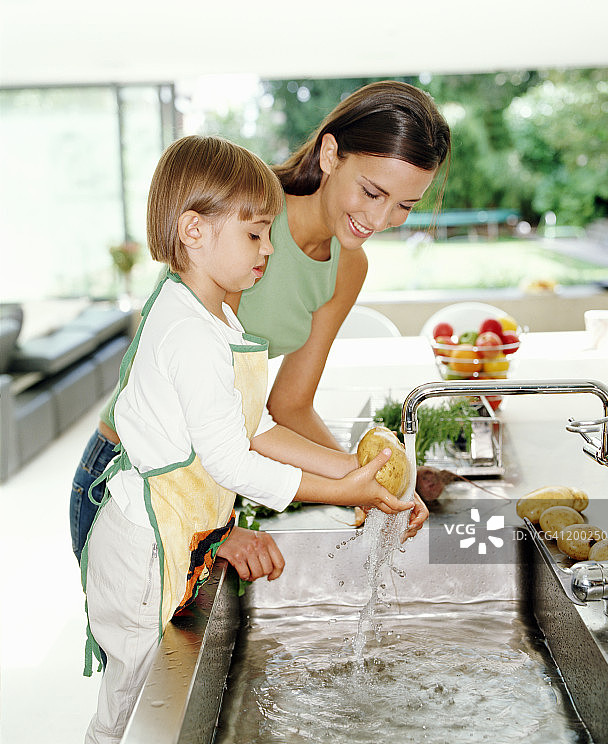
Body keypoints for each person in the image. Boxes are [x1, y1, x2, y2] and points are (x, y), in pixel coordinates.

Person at [82, 135, 414, 744]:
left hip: (174, 538)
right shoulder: (188, 333)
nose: (267, 250)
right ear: (193, 231)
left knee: (145, 700)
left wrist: (353, 476)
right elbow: (234, 460)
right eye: (256, 234)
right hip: (141, 547)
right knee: (129, 712)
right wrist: (340, 493)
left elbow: (258, 426)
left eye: (267, 234)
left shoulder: (216, 318)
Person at [70, 80, 449, 573]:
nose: (379, 218)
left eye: (404, 205)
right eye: (372, 191)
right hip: (135, 477)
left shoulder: (347, 266)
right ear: (331, 153)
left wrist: (372, 483)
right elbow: (175, 396)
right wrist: (217, 530)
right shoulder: (242, 227)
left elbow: (286, 405)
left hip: (201, 479)